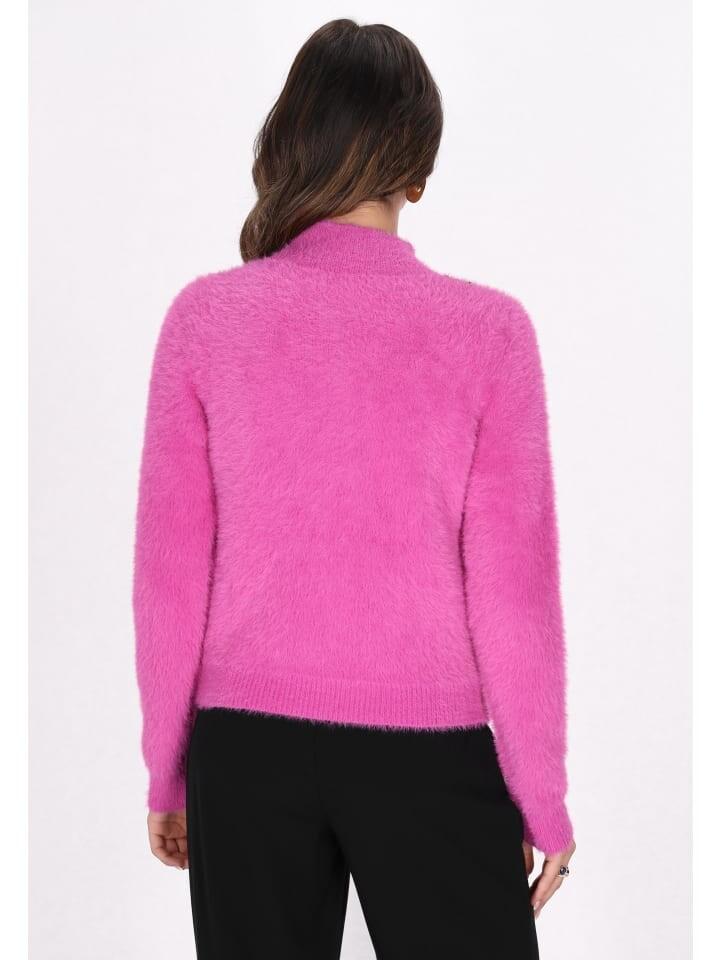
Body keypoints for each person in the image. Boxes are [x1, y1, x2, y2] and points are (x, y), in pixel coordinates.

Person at [132, 17, 576, 960]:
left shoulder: (206, 321)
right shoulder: (489, 334)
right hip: (429, 748)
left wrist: (168, 771)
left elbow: (168, 576)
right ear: (418, 170)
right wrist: (540, 794)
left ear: (291, 143)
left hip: (244, 751)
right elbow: (515, 589)